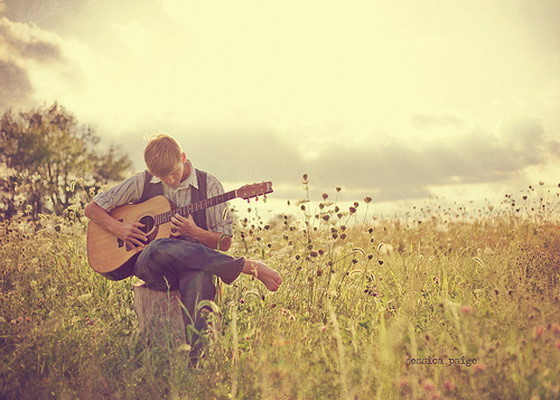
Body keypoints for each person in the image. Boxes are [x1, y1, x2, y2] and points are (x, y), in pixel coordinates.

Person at [84, 133, 282, 361]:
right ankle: (247, 267)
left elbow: (224, 243)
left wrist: (194, 232)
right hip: (153, 267)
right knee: (158, 247)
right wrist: (118, 229)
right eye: (161, 176)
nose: (169, 180)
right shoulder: (143, 181)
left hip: (193, 267)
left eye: (174, 172)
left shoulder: (210, 185)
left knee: (199, 277)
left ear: (183, 158)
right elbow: (92, 209)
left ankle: (197, 362)